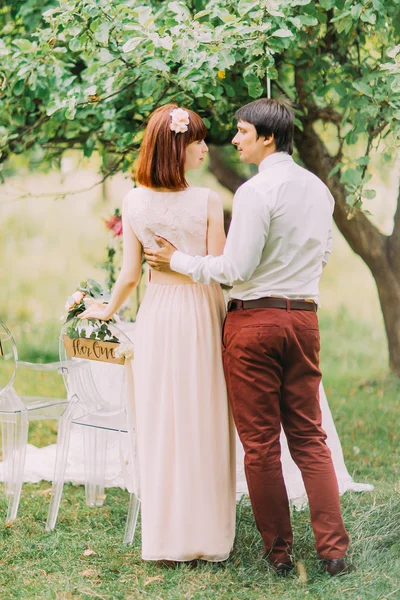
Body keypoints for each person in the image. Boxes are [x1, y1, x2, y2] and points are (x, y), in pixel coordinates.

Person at [144, 98, 350, 577]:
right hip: (303, 319)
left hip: (254, 323)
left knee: (260, 444)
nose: (233, 140)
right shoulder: (319, 190)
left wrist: (177, 261)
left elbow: (234, 270)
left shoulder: (258, 192)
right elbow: (323, 254)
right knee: (309, 437)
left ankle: (279, 553)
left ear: (267, 138)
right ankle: (333, 550)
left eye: (241, 132)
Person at [80, 104, 236, 563]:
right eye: (198, 141)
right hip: (201, 313)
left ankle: (166, 536)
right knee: (203, 414)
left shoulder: (133, 200)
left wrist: (108, 308)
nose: (206, 148)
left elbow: (130, 274)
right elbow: (219, 272)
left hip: (159, 313)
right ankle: (207, 535)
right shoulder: (207, 201)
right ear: (176, 147)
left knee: (162, 417)